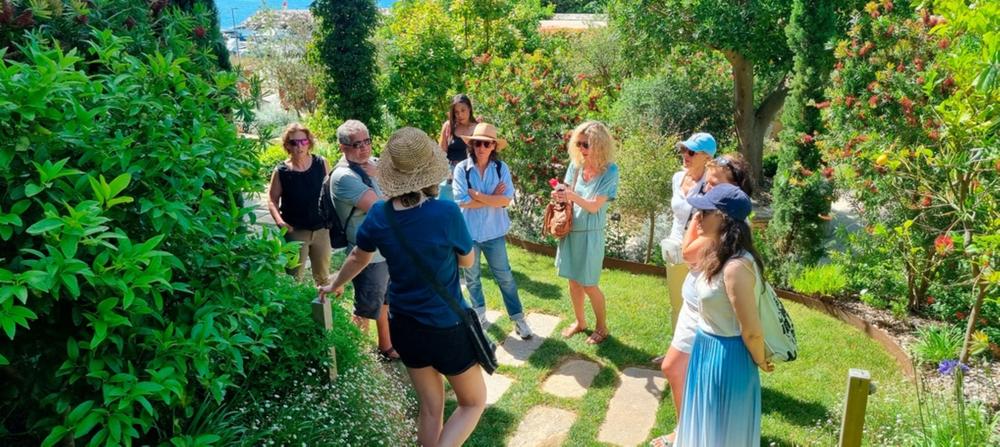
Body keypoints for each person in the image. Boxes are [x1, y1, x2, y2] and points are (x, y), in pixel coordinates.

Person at [319, 127, 485, 447]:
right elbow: (467, 261)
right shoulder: (446, 212)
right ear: (429, 171)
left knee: (430, 408)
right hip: (445, 326)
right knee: (473, 402)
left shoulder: (380, 215)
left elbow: (358, 256)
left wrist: (334, 284)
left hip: (404, 325)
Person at [650, 151, 754, 447]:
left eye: (715, 184)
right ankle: (689, 431)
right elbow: (690, 250)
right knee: (683, 371)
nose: (707, 189)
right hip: (696, 301)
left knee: (676, 368)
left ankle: (688, 433)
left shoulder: (725, 227)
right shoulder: (714, 218)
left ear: (734, 189)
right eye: (707, 183)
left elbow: (688, 253)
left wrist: (698, 221)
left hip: (707, 310)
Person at [675, 183, 771, 447]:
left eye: (705, 212)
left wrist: (761, 360)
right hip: (705, 349)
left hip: (728, 358)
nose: (697, 217)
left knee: (721, 434)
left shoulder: (736, 267)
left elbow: (751, 331)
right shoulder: (717, 253)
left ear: (724, 219)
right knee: (705, 426)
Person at [453, 123, 533, 339]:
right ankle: (480, 316)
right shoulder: (461, 169)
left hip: (494, 234)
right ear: (472, 145)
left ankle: (518, 319)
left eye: (486, 144)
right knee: (472, 279)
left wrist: (478, 195)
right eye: (478, 143)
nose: (481, 147)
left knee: (505, 277)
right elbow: (462, 200)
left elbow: (506, 200)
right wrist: (492, 197)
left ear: (493, 147)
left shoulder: (500, 168)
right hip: (468, 234)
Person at [329, 119, 398, 361]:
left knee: (385, 302)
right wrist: (389, 184)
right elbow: (383, 209)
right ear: (342, 147)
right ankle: (355, 358)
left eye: (367, 141)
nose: (364, 148)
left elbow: (406, 188)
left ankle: (386, 346)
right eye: (357, 144)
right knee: (365, 309)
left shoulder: (374, 164)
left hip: (386, 249)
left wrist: (382, 176)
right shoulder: (344, 177)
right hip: (368, 255)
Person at [553, 121, 619, 345]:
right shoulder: (576, 166)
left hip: (591, 234)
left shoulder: (610, 171)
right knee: (573, 281)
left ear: (599, 144)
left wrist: (572, 196)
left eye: (586, 144)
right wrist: (560, 194)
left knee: (589, 284)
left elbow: (594, 206)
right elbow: (566, 191)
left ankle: (602, 327)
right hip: (571, 230)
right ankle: (580, 322)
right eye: (578, 143)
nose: (581, 148)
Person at [266, 122, 332, 285]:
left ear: (309, 142)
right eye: (294, 142)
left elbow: (332, 191)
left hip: (321, 229)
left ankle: (323, 302)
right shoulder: (281, 171)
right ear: (287, 145)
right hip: (295, 231)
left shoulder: (321, 163)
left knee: (323, 278)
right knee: (293, 279)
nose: (299, 146)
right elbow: (272, 199)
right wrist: (280, 222)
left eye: (303, 141)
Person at [438, 94, 478, 201]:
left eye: (463, 110)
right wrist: (446, 172)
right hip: (449, 174)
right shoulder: (449, 126)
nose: (460, 115)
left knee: (466, 206)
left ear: (469, 108)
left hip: (470, 175)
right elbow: (440, 154)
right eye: (456, 112)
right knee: (447, 206)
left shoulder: (478, 128)